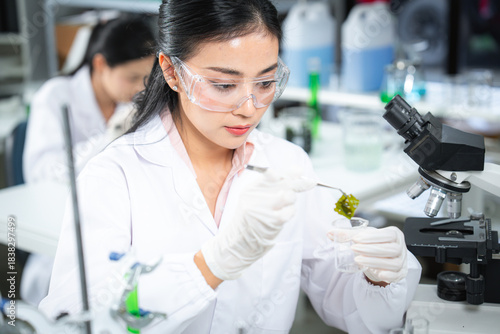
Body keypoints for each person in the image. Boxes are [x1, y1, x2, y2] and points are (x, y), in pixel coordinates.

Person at [40, 1, 422, 333]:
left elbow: (351, 308)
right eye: (224, 85)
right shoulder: (115, 175)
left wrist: (378, 278)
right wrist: (209, 266)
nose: (249, 107)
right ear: (172, 72)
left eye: (266, 81)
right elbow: (77, 317)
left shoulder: (287, 163)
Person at [20, 15, 155, 306]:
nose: (138, 89)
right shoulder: (55, 97)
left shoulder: (130, 102)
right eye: (131, 78)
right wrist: (108, 137)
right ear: (100, 64)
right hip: (59, 224)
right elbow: (44, 173)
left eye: (145, 80)